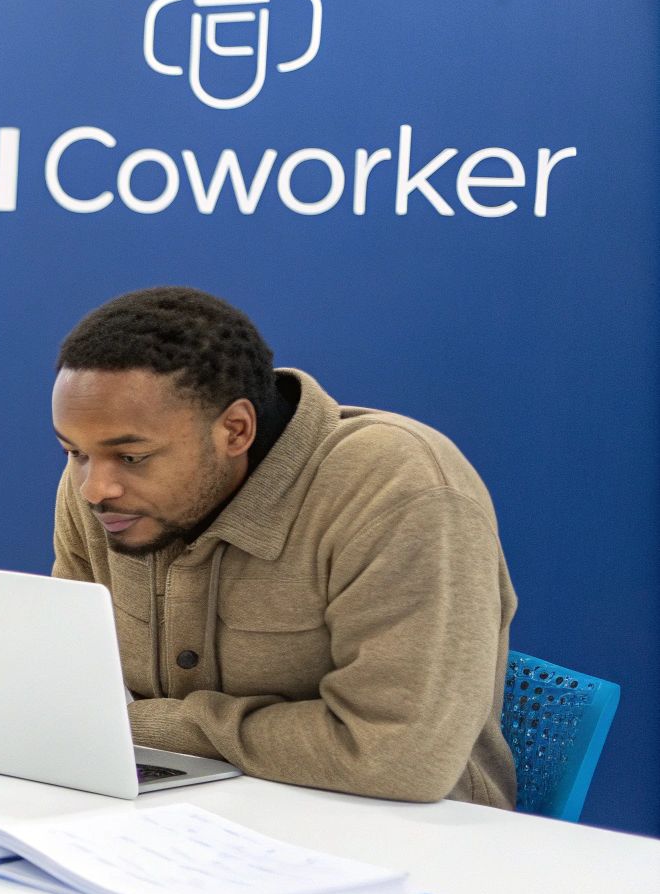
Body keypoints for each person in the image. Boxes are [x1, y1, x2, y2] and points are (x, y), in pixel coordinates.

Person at [49, 286, 515, 807]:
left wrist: (145, 725)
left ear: (235, 429)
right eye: (74, 451)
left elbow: (399, 758)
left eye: (132, 457)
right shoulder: (104, 496)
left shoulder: (400, 489)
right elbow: (72, 692)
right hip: (185, 820)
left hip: (409, 839)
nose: (94, 488)